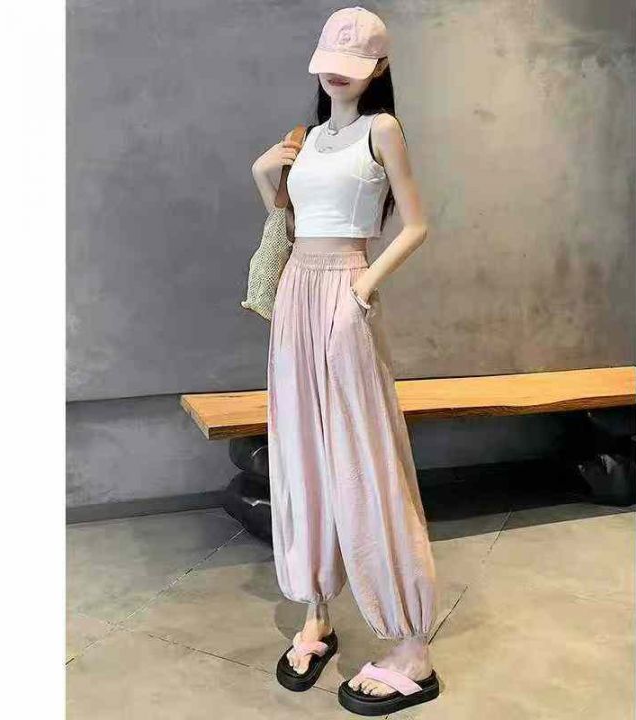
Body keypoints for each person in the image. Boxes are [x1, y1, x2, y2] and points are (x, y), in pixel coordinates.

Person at [251, 7, 439, 716]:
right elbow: (288, 224)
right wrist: (264, 174)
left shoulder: (380, 129)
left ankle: (410, 645)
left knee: (364, 456)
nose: (339, 75)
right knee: (299, 451)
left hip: (343, 290)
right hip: (296, 290)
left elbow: (416, 223)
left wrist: (361, 290)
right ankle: (317, 613)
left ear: (379, 68)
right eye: (331, 60)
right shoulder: (310, 138)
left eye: (355, 65)